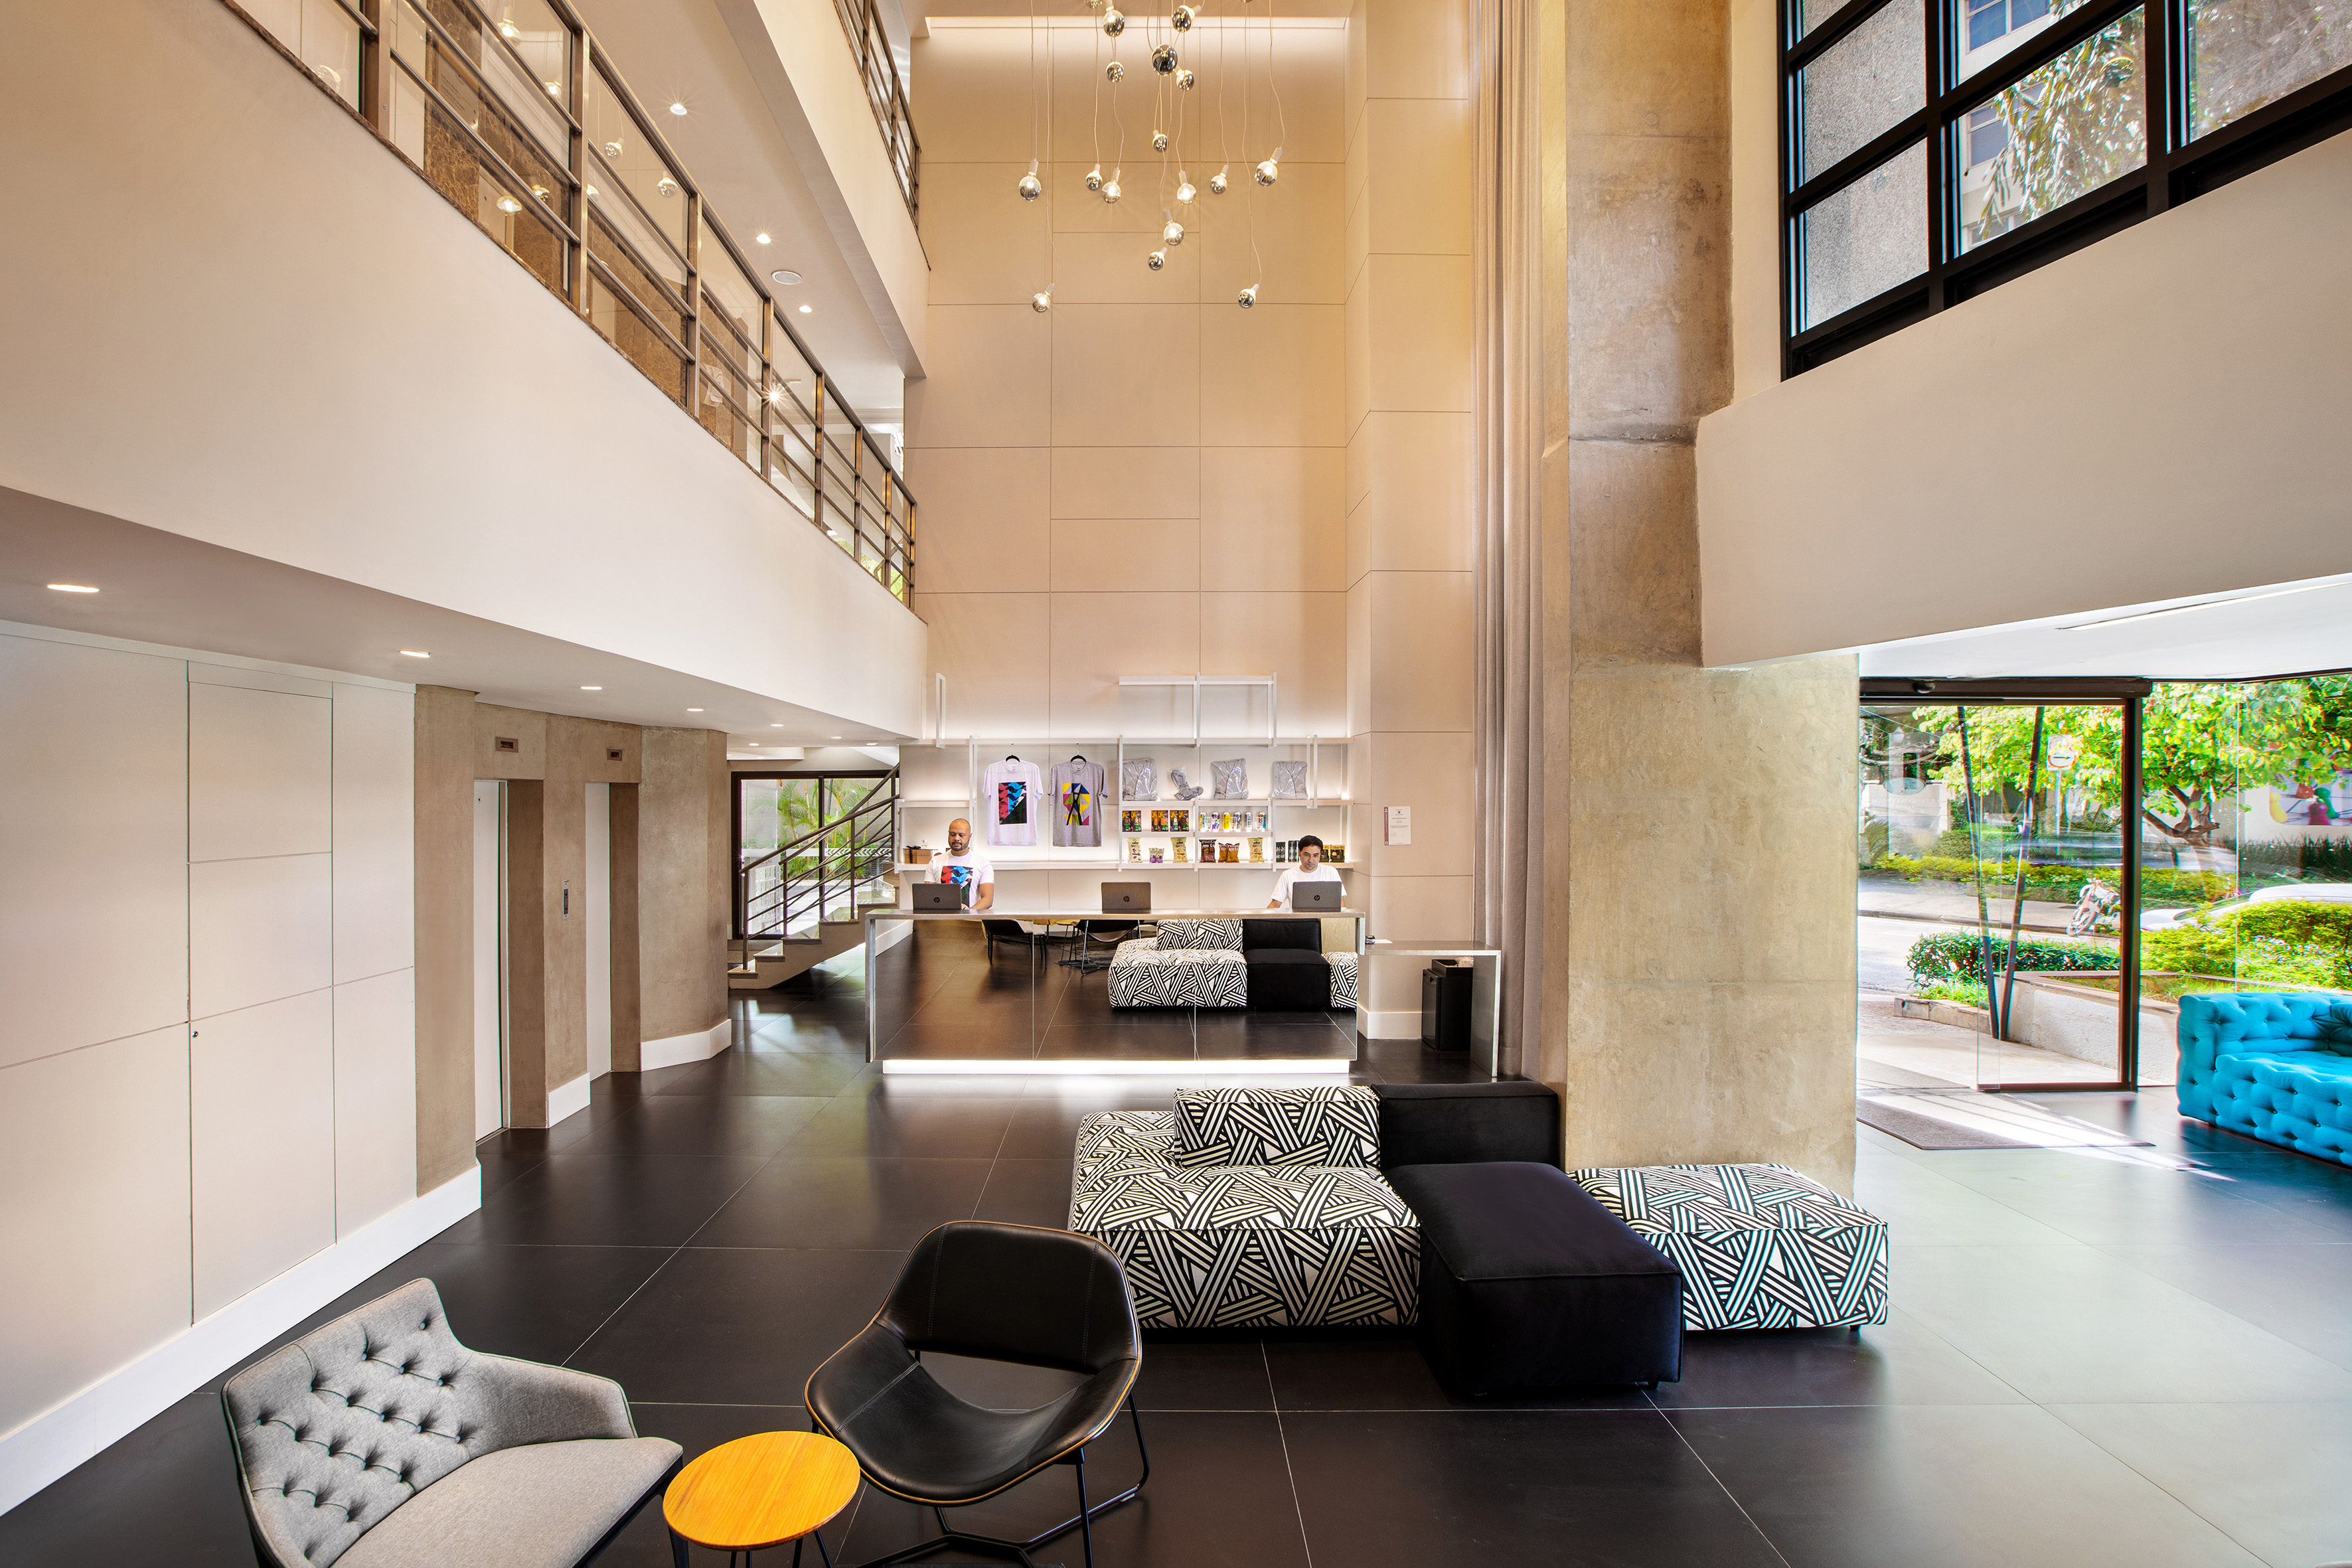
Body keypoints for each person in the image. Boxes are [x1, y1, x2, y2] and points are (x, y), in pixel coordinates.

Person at [933, 817, 996, 911]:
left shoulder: (983, 863)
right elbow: (928, 896)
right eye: (953, 834)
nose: (956, 838)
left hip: (971, 918)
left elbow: (988, 900)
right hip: (942, 918)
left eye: (961, 835)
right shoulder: (935, 862)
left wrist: (969, 912)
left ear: (969, 837)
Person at [1267, 834, 1342, 911]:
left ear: (1320, 855)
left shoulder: (1331, 872)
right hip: (1298, 918)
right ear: (1299, 853)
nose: (1311, 860)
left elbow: (1341, 903)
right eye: (1307, 855)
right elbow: (1275, 905)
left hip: (1327, 918)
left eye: (1315, 856)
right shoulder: (1288, 875)